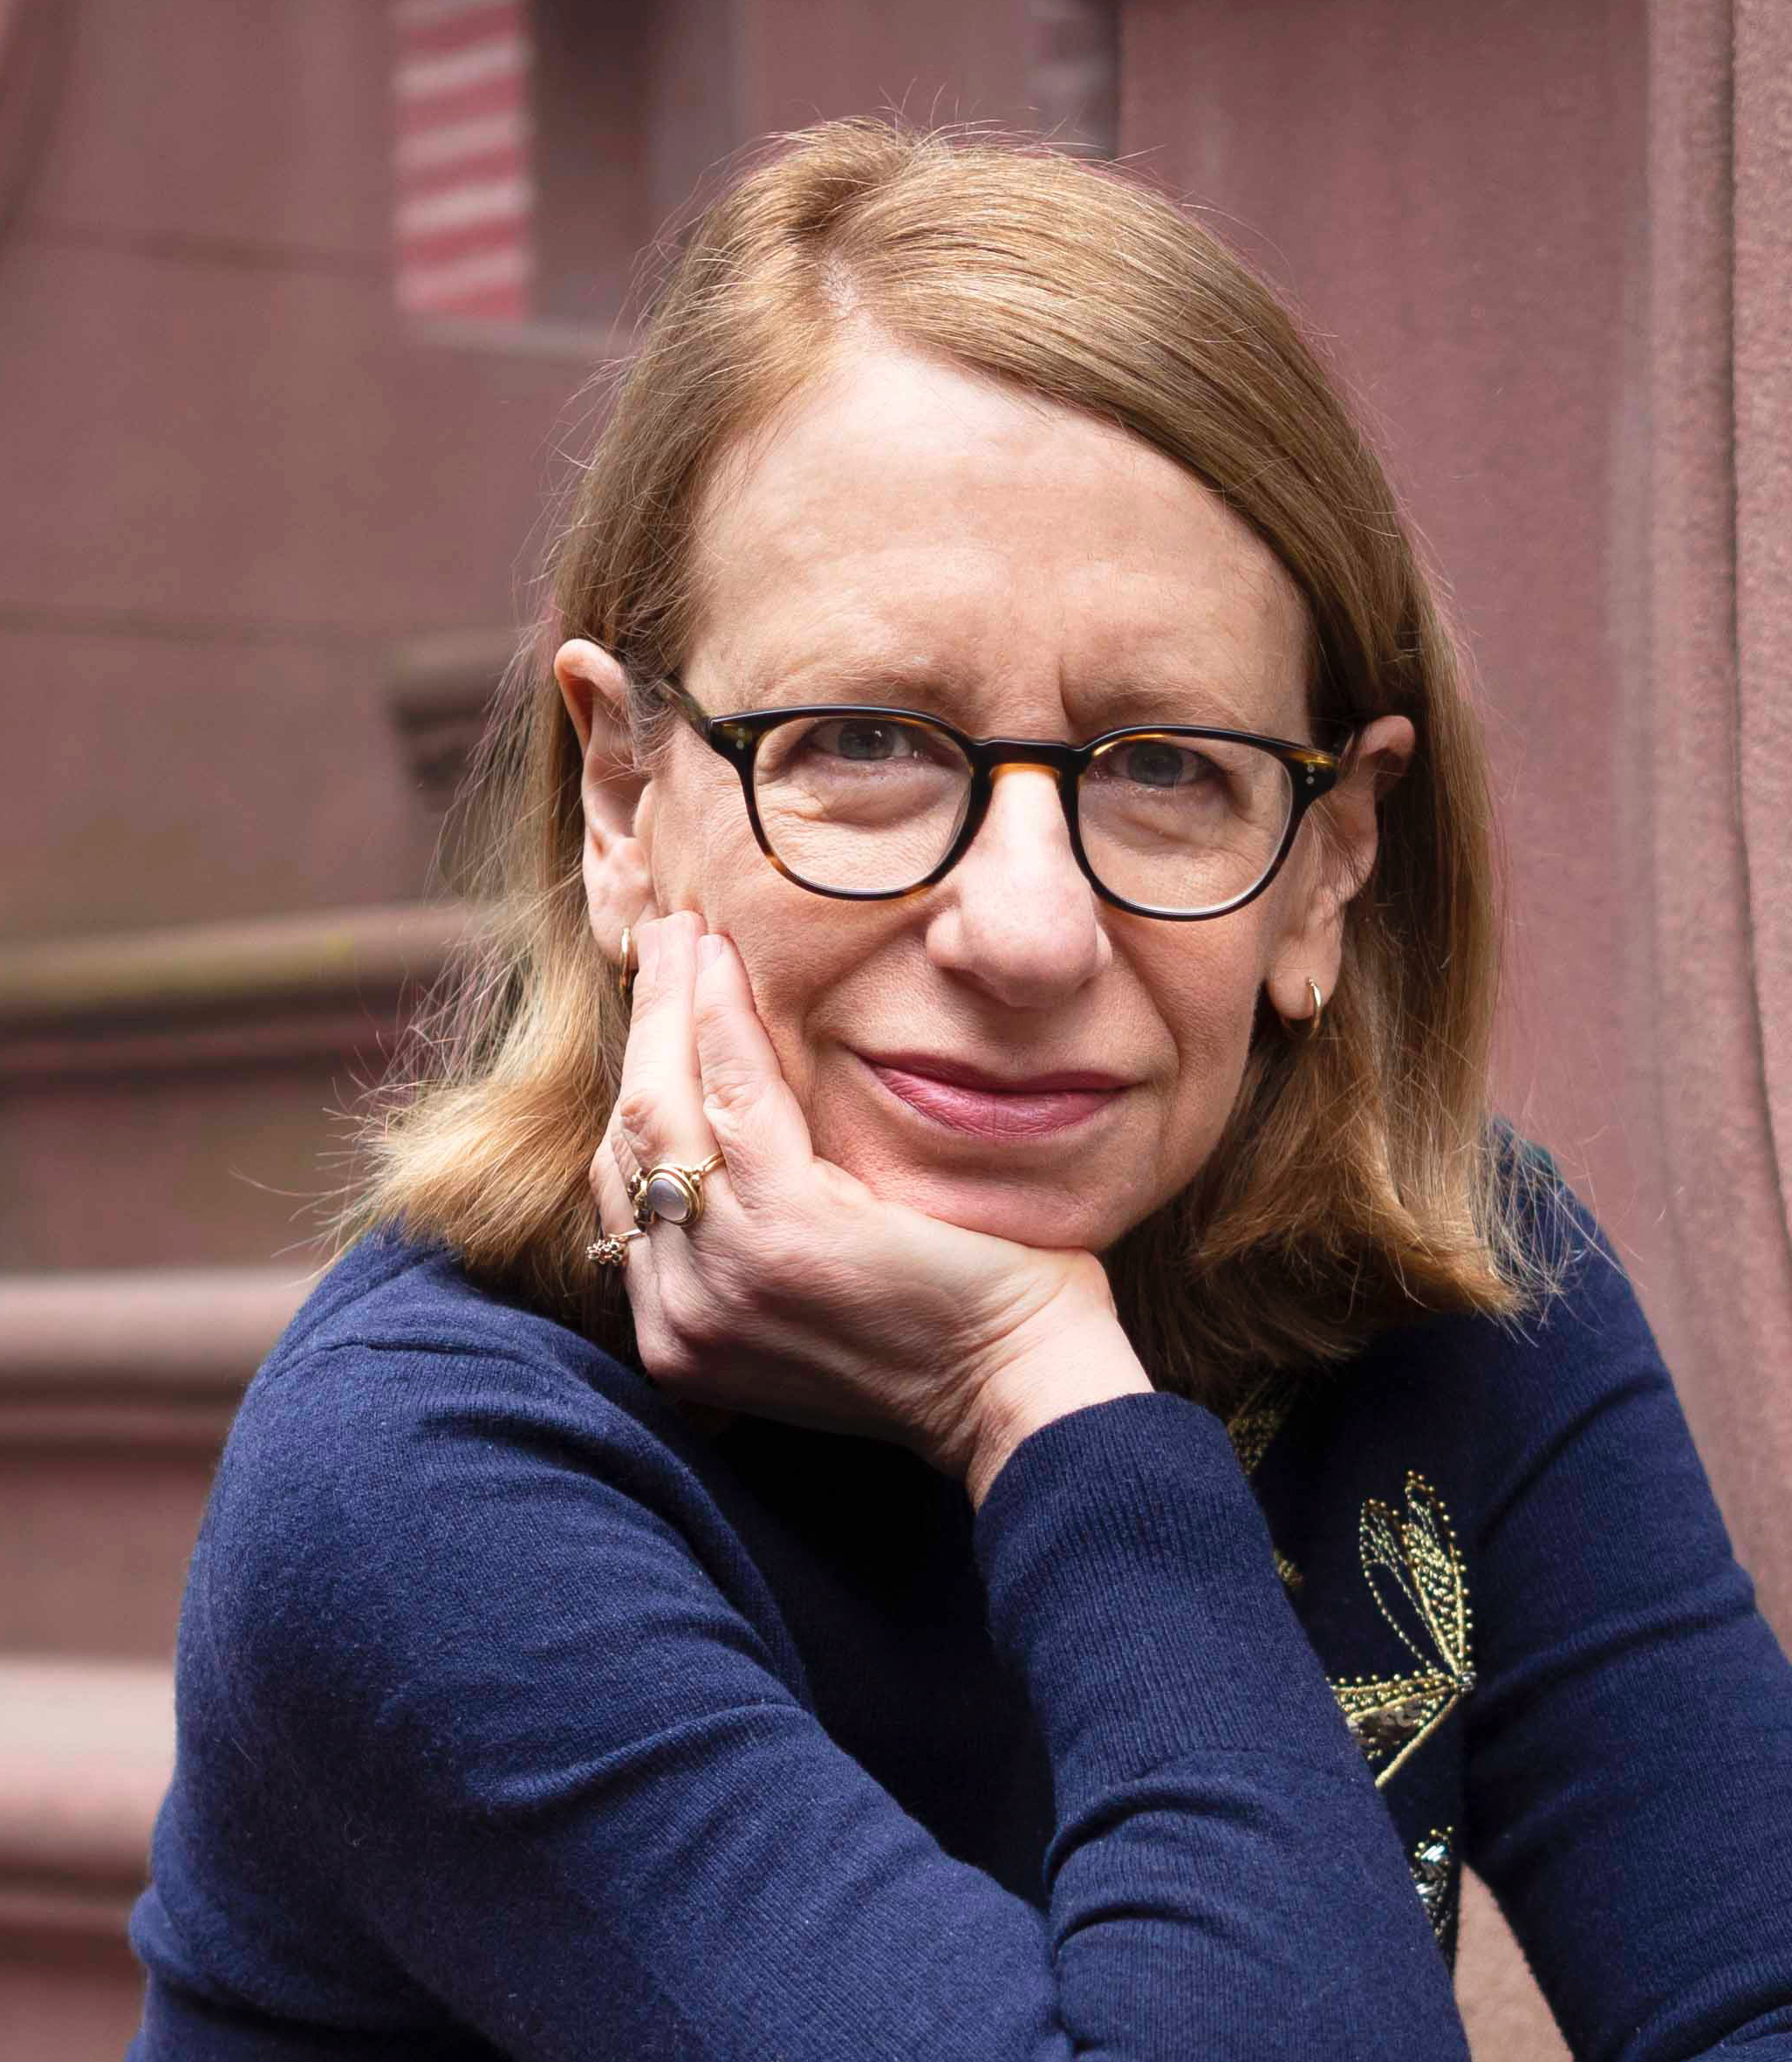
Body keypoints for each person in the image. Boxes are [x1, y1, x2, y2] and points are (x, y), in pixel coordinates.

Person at [128, 120, 1792, 2060]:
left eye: (1166, 766)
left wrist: (1035, 1382)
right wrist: (1040, 1395)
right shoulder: (428, 1482)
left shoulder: (1465, 1304)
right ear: (620, 798)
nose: (1023, 930)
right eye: (860, 742)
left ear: (1329, 863)